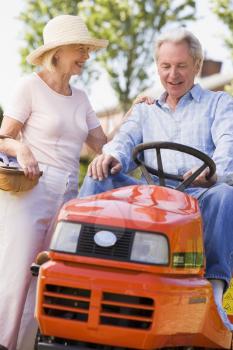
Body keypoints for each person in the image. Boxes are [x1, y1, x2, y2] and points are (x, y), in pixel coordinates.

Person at [79, 28, 233, 331]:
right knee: (98, 176)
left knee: (225, 194)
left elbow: (228, 146)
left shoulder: (219, 104)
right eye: (166, 66)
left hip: (197, 197)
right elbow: (123, 141)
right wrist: (110, 156)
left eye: (181, 66)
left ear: (197, 66)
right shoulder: (145, 110)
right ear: (157, 67)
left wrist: (211, 173)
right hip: (150, 197)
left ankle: (213, 289)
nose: (172, 74)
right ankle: (81, 264)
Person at [0, 14, 109, 350]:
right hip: (31, 191)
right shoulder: (29, 86)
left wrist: (138, 112)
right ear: (59, 51)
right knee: (15, 273)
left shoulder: (82, 97)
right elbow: (3, 137)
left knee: (46, 277)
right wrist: (22, 148)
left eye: (88, 50)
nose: (87, 56)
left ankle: (26, 345)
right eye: (81, 49)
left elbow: (104, 146)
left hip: (68, 198)